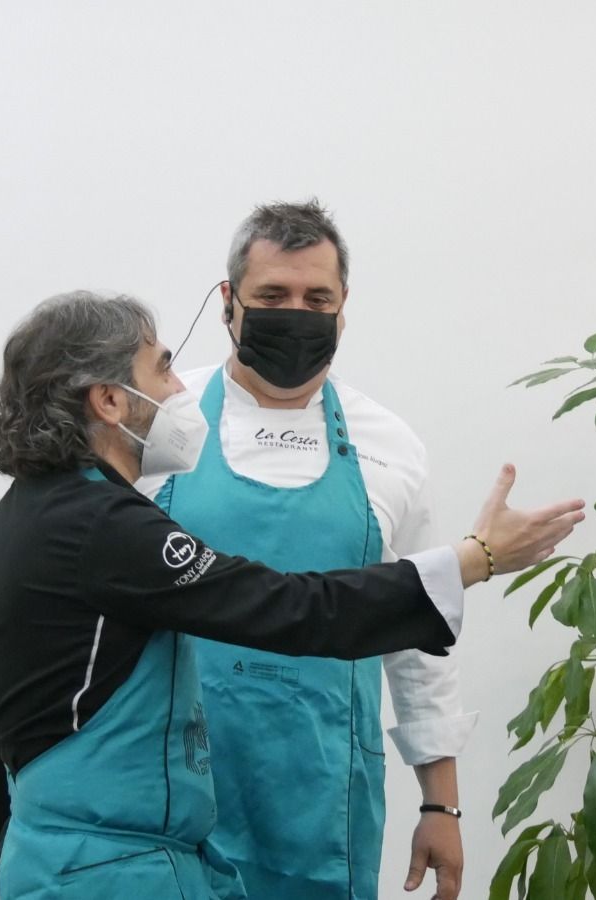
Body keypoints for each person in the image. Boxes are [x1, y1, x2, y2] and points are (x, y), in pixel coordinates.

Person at [0, 290, 583, 899]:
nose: (179, 389)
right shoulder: (104, 526)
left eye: (319, 297)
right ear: (108, 400)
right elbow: (292, 608)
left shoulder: (14, 522)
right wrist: (475, 559)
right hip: (110, 871)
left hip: (54, 861)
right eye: (162, 366)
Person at [138, 200, 472, 900]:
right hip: (171, 792)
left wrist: (441, 805)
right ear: (229, 302)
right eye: (272, 296)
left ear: (344, 306)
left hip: (322, 798)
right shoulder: (159, 428)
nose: (296, 313)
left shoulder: (391, 447)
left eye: (316, 297)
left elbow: (416, 639)